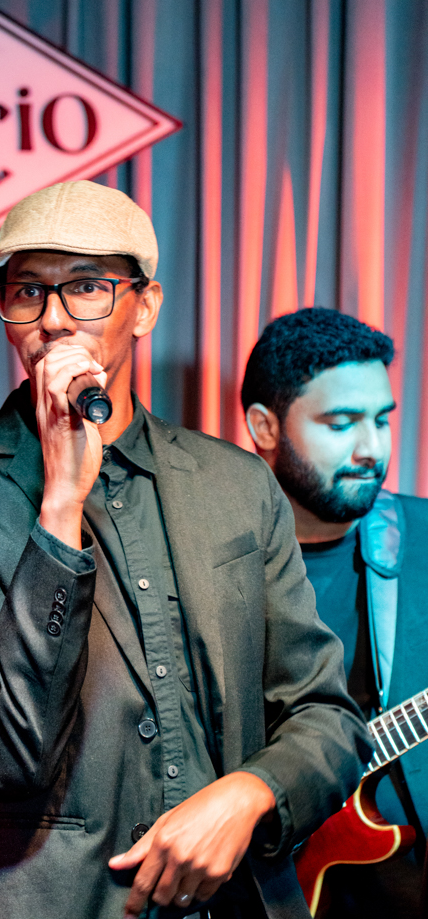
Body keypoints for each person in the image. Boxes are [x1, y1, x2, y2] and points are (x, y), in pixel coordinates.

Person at [0, 180, 370, 919]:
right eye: (26, 292)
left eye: (86, 287)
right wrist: (60, 503)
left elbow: (325, 715)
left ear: (144, 307)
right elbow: (11, 752)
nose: (53, 319)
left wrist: (252, 792)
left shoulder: (236, 483)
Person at [242, 307, 428, 918]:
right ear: (264, 426)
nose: (371, 448)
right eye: (342, 423)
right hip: (267, 888)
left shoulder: (423, 538)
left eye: (382, 420)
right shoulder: (215, 564)